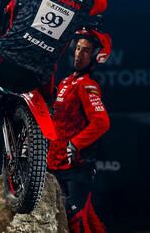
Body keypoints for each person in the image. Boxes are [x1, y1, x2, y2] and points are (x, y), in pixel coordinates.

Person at [48, 26, 111, 233]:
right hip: (56, 164)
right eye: (77, 48)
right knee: (88, 217)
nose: (79, 54)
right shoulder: (66, 82)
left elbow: (101, 122)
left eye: (85, 51)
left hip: (76, 166)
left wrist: (75, 144)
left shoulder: (87, 85)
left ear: (93, 56)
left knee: (75, 218)